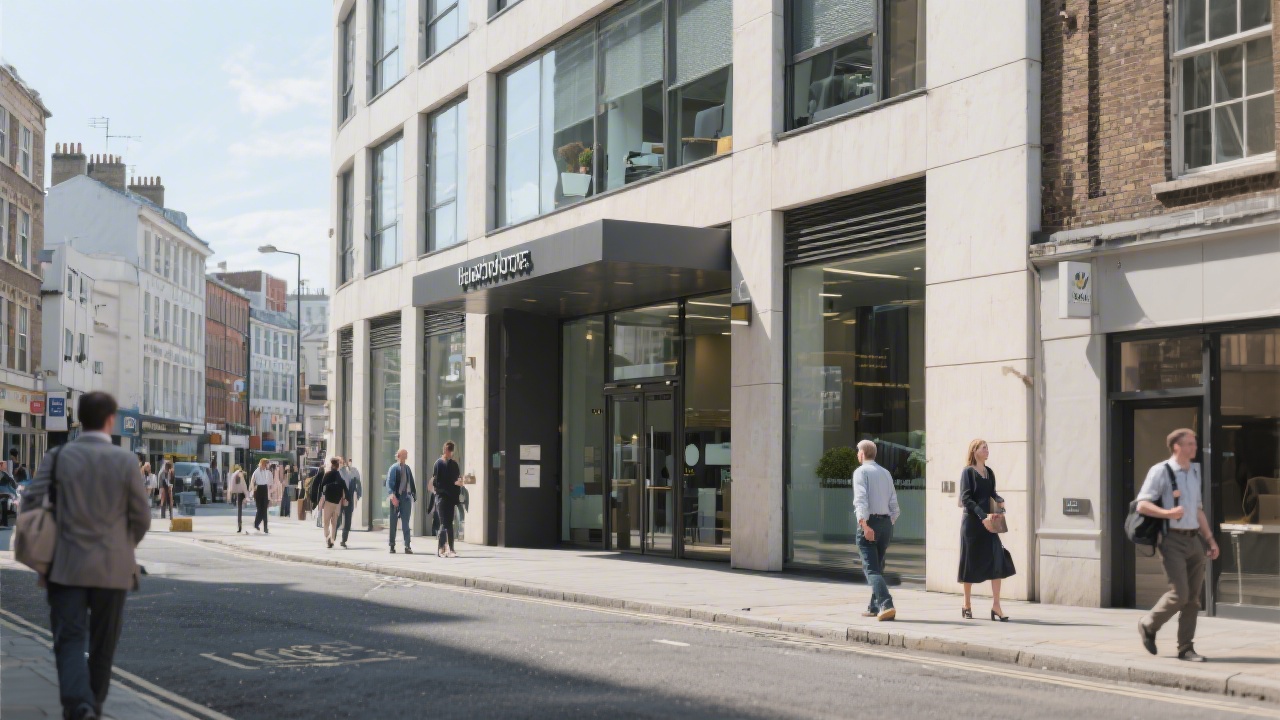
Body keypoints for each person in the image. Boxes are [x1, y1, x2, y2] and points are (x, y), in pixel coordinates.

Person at [20, 391, 150, 720]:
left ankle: (79, 705)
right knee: (104, 643)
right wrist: (125, 545)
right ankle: (94, 704)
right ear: (110, 420)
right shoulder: (125, 461)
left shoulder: (58, 456)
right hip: (114, 567)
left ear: (80, 419)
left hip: (65, 565)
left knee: (70, 639)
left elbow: (31, 502)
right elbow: (142, 517)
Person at [1136, 428, 1219, 662]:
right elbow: (1142, 504)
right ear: (1176, 447)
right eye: (1190, 444)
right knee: (1180, 593)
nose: (1194, 447)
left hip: (1194, 540)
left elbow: (1198, 510)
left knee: (1193, 598)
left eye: (1194, 443)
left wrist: (1210, 539)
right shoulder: (1160, 471)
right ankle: (1148, 624)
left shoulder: (1194, 471)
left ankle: (1186, 648)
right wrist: (1168, 512)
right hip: (1171, 539)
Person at [958, 439, 1016, 621]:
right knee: (970, 562)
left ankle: (996, 606)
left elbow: (992, 493)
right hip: (973, 524)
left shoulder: (989, 472)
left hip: (989, 523)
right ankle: (966, 604)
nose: (987, 450)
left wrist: (999, 500)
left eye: (987, 448)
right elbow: (966, 498)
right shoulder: (968, 472)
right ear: (975, 451)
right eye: (984, 448)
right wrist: (982, 516)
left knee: (996, 558)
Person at [852, 439, 900, 621]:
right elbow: (894, 504)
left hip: (870, 522)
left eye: (858, 452)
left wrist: (864, 525)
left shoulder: (861, 472)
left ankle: (886, 604)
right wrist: (888, 523)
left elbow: (861, 500)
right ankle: (873, 607)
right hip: (886, 523)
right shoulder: (886, 473)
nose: (857, 454)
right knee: (878, 567)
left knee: (871, 569)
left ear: (863, 454)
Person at [431, 441, 464, 558]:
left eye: (450, 451)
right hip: (441, 497)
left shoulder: (454, 464)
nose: (449, 453)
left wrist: (459, 483)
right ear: (444, 450)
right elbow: (436, 481)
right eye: (447, 450)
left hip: (450, 498)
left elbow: (457, 479)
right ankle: (442, 549)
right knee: (444, 523)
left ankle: (449, 548)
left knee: (449, 523)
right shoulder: (438, 464)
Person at [385, 449, 416, 554]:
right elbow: (389, 482)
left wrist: (413, 494)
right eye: (404, 454)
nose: (406, 455)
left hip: (406, 497)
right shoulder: (393, 468)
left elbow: (411, 481)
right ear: (399, 455)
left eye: (406, 454)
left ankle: (407, 545)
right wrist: (392, 495)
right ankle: (392, 545)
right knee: (393, 522)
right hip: (396, 497)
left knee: (406, 522)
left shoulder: (407, 468)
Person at [316, 457, 352, 549]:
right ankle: (332, 540)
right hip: (337, 503)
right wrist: (347, 499)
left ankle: (328, 537)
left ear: (331, 465)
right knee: (334, 523)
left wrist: (319, 498)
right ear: (337, 466)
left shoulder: (328, 475)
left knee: (326, 522)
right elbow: (345, 488)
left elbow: (321, 487)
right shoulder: (339, 476)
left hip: (328, 502)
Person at [337, 457, 362, 548]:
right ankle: (332, 537)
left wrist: (358, 495)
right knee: (338, 520)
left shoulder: (352, 472)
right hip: (339, 500)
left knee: (347, 520)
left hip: (349, 499)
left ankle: (344, 540)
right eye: (338, 462)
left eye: (341, 462)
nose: (340, 464)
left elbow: (358, 483)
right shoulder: (336, 473)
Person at [251, 459, 273, 534]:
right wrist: (253, 490)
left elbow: (269, 482)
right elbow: (252, 481)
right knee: (260, 509)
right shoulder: (256, 472)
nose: (266, 466)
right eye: (265, 464)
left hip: (264, 489)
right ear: (262, 464)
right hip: (259, 489)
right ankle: (256, 523)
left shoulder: (266, 472)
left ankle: (265, 528)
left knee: (264, 509)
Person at [228, 464, 249, 533]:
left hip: (239, 493)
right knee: (240, 510)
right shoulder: (239, 473)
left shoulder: (233, 475)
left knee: (239, 510)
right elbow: (243, 484)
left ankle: (239, 526)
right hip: (242, 492)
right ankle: (240, 525)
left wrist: (229, 496)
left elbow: (231, 487)